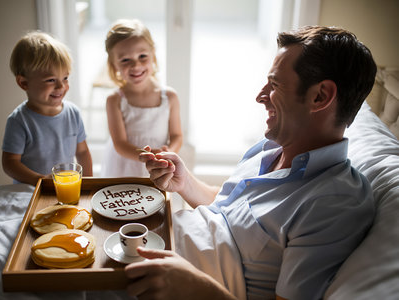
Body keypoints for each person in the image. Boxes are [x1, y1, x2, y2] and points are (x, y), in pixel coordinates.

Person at [128, 26, 377, 300]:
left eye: (276, 85)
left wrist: (193, 286)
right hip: (149, 250)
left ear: (319, 96)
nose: (260, 96)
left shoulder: (335, 201)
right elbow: (227, 210)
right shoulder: (269, 147)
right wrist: (184, 181)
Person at [2, 31, 93, 185]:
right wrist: (42, 181)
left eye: (65, 78)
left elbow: (82, 152)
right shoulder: (19, 121)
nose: (61, 86)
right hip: (31, 191)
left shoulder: (73, 113)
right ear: (24, 83)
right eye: (51, 80)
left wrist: (89, 184)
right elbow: (10, 163)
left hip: (64, 188)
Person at [100, 19, 183, 177]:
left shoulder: (170, 97)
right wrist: (145, 158)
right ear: (114, 64)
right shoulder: (115, 100)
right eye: (125, 60)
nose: (136, 65)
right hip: (124, 165)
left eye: (142, 56)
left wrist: (168, 152)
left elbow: (177, 135)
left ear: (153, 55)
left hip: (160, 164)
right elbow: (120, 144)